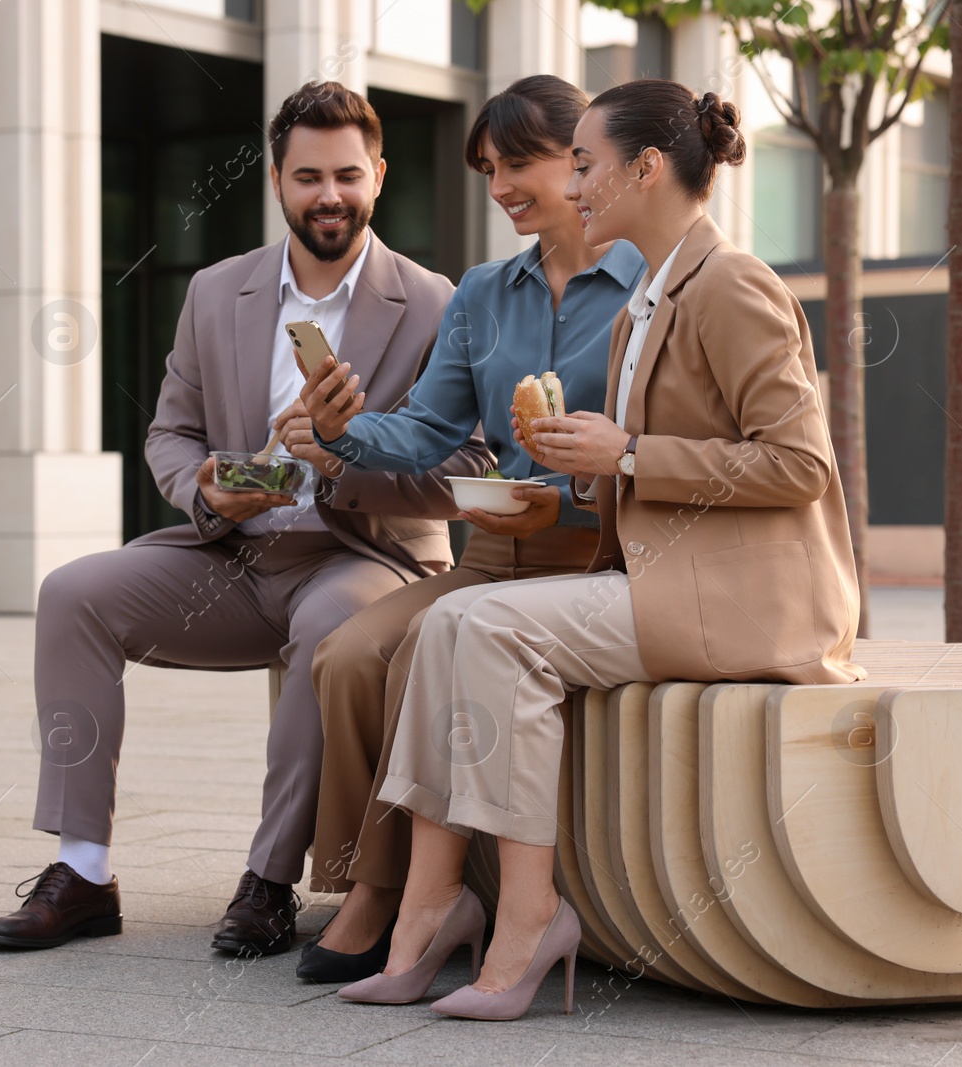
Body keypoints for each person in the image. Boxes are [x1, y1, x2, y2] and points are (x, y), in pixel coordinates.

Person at [336, 78, 863, 1021]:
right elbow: (634, 470)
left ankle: (530, 917)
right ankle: (430, 905)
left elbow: (800, 464)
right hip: (665, 582)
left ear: (647, 168)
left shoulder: (732, 282)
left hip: (742, 602)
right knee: (451, 621)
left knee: (487, 628)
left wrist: (627, 453)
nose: (571, 186)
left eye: (583, 162)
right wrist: (579, 467)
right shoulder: (645, 305)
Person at [0, 81, 489, 958]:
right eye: (307, 177)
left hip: (363, 555)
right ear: (277, 181)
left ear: (378, 175)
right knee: (72, 594)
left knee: (330, 624)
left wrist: (342, 463)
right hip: (234, 555)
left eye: (347, 175)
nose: (329, 195)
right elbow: (168, 431)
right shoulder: (218, 292)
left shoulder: (437, 302)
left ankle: (269, 879)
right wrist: (209, 491)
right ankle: (84, 870)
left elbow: (468, 468)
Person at [292, 76, 645, 984]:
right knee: (344, 652)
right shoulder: (485, 294)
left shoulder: (647, 286)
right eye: (489, 168)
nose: (500, 188)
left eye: (517, 164)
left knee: (415, 653)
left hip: (590, 557)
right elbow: (426, 431)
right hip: (492, 555)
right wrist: (339, 431)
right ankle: (365, 879)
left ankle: (387, 895)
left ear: (582, 160)